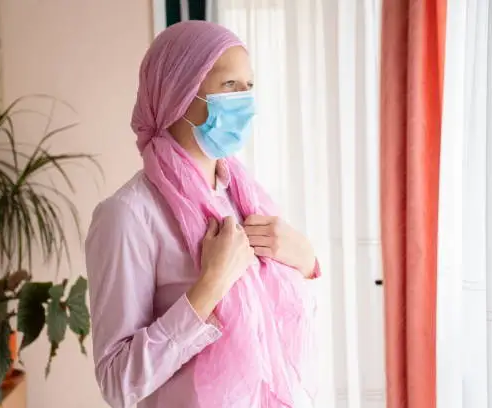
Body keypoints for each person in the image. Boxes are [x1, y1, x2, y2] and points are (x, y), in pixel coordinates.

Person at [85, 20, 320, 408]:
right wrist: (209, 287)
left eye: (250, 86)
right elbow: (117, 381)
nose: (246, 100)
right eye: (230, 86)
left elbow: (279, 321)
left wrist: (306, 259)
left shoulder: (244, 198)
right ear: (179, 92)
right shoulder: (127, 216)